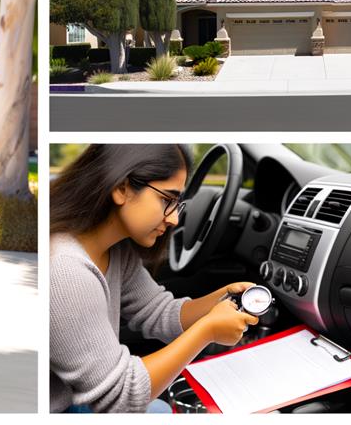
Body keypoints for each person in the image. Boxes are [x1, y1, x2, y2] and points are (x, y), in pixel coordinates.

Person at [50, 144, 259, 413]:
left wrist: (221, 299)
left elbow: (159, 312)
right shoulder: (66, 270)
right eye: (166, 199)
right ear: (122, 188)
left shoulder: (116, 250)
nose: (174, 219)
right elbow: (122, 397)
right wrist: (208, 329)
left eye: (177, 203)